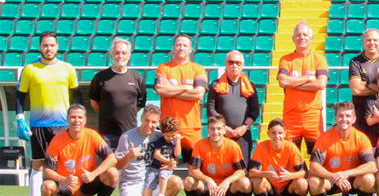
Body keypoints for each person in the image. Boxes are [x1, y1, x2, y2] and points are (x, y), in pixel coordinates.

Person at [17, 31, 83, 196]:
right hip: (38, 125)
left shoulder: (67, 68)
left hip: (63, 125)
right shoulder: (30, 69)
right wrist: (20, 118)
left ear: (57, 47)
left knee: (68, 166)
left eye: (52, 45)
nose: (49, 48)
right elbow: (20, 96)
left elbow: (77, 95)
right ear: (40, 47)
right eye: (45, 45)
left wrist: (79, 117)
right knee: (37, 166)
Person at [40, 105, 118, 196]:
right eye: (73, 117)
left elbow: (112, 158)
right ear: (67, 119)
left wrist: (93, 174)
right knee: (46, 187)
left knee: (113, 173)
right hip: (66, 187)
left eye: (80, 117)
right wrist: (64, 180)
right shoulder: (57, 140)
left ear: (85, 120)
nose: (77, 120)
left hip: (87, 185)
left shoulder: (92, 135)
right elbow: (46, 171)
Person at [307, 102, 376, 196]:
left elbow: (371, 166)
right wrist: (333, 177)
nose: (344, 119)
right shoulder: (324, 138)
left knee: (369, 179)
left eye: (348, 116)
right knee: (314, 182)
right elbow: (314, 166)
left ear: (354, 119)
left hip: (352, 181)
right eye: (340, 116)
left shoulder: (361, 138)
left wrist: (347, 173)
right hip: (331, 180)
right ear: (335, 118)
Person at [114, 105, 180, 196]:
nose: (149, 125)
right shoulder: (127, 137)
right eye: (147, 121)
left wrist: (172, 163)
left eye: (154, 122)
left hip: (152, 182)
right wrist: (128, 157)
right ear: (141, 118)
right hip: (132, 184)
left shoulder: (160, 136)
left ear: (158, 122)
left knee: (177, 183)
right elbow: (117, 166)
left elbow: (173, 154)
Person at [183, 114, 253, 196]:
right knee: (189, 181)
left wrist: (228, 181)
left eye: (219, 129)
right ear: (207, 130)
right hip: (208, 187)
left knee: (246, 183)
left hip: (227, 187)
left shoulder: (233, 146)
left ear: (224, 130)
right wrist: (208, 180)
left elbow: (242, 171)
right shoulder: (200, 145)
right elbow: (193, 170)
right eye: (212, 129)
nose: (216, 132)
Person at [154, 34, 208, 165]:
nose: (181, 47)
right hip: (168, 125)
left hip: (191, 126)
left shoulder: (198, 69)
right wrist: (185, 87)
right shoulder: (163, 68)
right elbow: (160, 90)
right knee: (166, 165)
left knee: (194, 168)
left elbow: (199, 94)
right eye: (178, 45)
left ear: (190, 49)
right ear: (173, 48)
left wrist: (170, 90)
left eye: (185, 45)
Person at [278, 20, 328, 153]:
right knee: (290, 158)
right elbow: (283, 82)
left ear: (311, 38)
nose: (302, 37)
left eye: (305, 35)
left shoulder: (319, 59)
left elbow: (321, 84)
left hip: (313, 116)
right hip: (291, 116)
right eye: (298, 35)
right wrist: (307, 79)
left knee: (317, 157)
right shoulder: (286, 59)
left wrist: (293, 84)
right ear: (293, 38)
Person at [89, 37, 145, 149]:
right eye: (117, 53)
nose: (120, 56)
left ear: (129, 56)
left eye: (124, 53)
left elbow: (140, 104)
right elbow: (93, 102)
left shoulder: (137, 78)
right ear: (111, 55)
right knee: (107, 165)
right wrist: (107, 115)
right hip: (106, 134)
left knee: (128, 165)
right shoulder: (100, 78)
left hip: (130, 133)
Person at [207, 51, 260, 167]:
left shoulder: (250, 86)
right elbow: (211, 109)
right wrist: (224, 128)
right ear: (226, 64)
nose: (234, 65)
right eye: (231, 62)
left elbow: (255, 111)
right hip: (221, 134)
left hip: (243, 135)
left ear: (243, 65)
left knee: (242, 168)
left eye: (237, 63)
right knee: (222, 166)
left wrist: (244, 127)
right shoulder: (215, 85)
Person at [249, 118, 309, 196]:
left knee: (302, 184)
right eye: (273, 133)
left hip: (287, 189)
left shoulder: (291, 147)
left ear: (285, 134)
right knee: (257, 181)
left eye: (280, 133)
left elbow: (305, 173)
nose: (277, 136)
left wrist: (290, 175)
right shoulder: (261, 147)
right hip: (270, 188)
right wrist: (266, 174)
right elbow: (251, 172)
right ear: (268, 133)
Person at [349, 28, 379, 137]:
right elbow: (355, 90)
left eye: (375, 40)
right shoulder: (355, 62)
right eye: (368, 40)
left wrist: (367, 84)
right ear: (363, 42)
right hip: (360, 116)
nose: (372, 43)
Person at [148, 117, 183, 196]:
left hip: (166, 170)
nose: (170, 138)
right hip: (155, 170)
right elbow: (157, 155)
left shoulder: (174, 141)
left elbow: (177, 154)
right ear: (162, 132)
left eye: (173, 135)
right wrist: (168, 161)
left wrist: (178, 141)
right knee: (161, 175)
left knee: (175, 182)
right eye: (168, 136)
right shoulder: (160, 141)